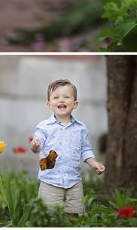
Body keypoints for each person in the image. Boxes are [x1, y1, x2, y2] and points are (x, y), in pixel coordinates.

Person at [28, 79, 105, 217]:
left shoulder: (81, 128)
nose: (61, 100)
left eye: (66, 97)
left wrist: (94, 163)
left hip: (74, 183)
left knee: (74, 216)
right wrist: (35, 145)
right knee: (48, 216)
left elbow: (85, 150)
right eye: (56, 97)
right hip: (50, 181)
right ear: (49, 104)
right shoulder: (44, 127)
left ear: (75, 104)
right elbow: (37, 148)